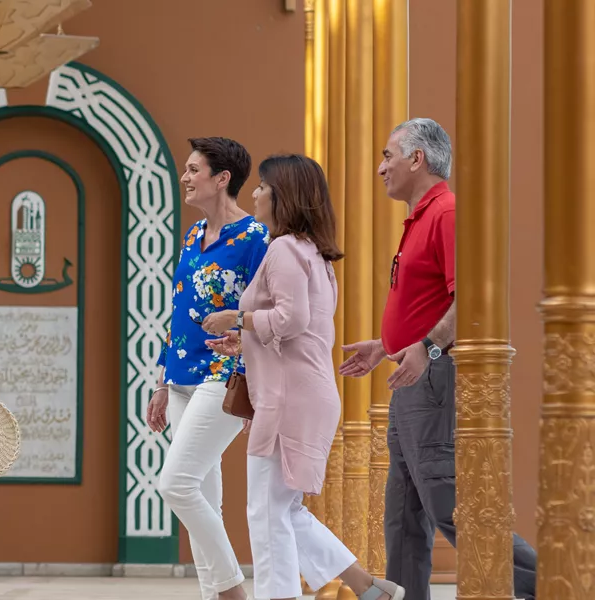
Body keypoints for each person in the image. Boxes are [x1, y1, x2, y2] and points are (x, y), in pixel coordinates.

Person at [340, 117, 538, 600]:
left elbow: (469, 296)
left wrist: (428, 349)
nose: (381, 167)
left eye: (389, 156)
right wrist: (385, 347)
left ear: (417, 158)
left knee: (448, 506)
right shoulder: (420, 218)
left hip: (434, 380)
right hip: (413, 381)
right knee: (403, 515)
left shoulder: (446, 212)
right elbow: (428, 305)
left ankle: (560, 583)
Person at [201, 153, 405, 600]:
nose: (254, 194)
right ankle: (369, 588)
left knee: (267, 514)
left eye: (262, 187)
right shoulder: (311, 254)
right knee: (283, 509)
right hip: (301, 393)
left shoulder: (284, 249)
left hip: (288, 399)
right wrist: (247, 338)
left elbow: (291, 320)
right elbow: (301, 327)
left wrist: (238, 317)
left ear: (282, 195)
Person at [145, 136, 268, 600]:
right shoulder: (193, 236)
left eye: (194, 170)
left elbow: (267, 308)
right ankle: (211, 595)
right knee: (203, 499)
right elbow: (179, 309)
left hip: (226, 375)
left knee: (175, 484)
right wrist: (161, 380)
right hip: (180, 378)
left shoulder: (256, 238)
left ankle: (235, 591)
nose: (185, 178)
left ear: (222, 179)